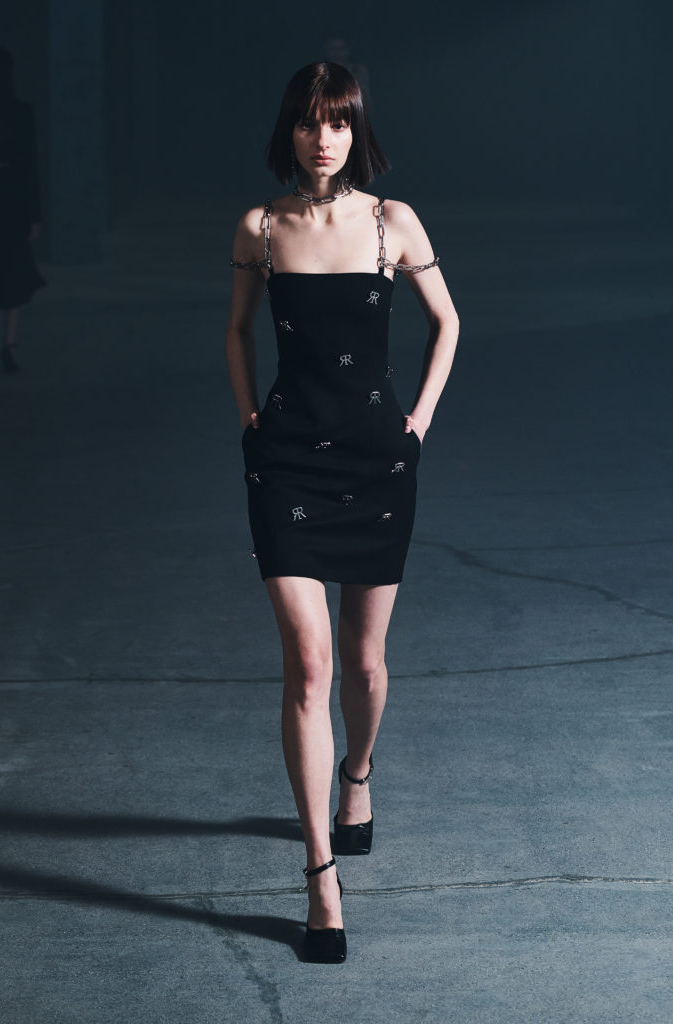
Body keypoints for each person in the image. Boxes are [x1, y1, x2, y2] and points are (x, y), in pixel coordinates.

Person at [226, 61, 459, 963]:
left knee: (363, 663)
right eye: (307, 123)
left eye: (337, 123)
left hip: (376, 462)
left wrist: (418, 425)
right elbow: (235, 328)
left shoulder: (391, 222)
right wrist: (247, 417)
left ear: (356, 131)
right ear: (286, 130)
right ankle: (320, 878)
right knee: (310, 667)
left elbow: (447, 323)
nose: (321, 139)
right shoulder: (260, 226)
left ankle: (356, 775)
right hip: (285, 463)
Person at [0, 47, 45, 373]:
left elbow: (30, 165)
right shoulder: (21, 112)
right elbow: (29, 167)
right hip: (12, 199)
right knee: (11, 272)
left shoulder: (21, 112)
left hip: (4, 199)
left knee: (5, 270)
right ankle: (8, 346)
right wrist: (34, 214)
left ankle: (7, 348)